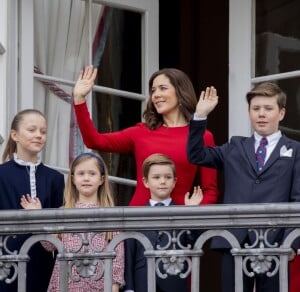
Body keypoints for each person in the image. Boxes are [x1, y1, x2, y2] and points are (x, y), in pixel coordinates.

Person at [186, 82, 300, 292]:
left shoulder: (295, 150)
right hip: (234, 239)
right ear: (249, 113)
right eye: (256, 109)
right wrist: (200, 116)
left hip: (275, 243)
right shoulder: (235, 146)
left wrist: (291, 243)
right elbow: (197, 155)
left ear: (281, 113)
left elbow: (298, 200)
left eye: (268, 109)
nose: (261, 114)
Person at [72, 65, 219, 206]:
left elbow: (210, 191)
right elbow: (94, 141)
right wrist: (79, 99)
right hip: (138, 220)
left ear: (180, 92)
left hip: (179, 224)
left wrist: (192, 214)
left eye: (163, 88)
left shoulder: (202, 136)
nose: (156, 95)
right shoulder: (141, 132)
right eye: (153, 91)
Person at [21, 151, 125, 292]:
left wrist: (114, 288)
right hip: (65, 284)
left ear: (101, 179)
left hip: (99, 285)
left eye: (92, 174)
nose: (86, 178)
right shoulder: (63, 212)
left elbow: (117, 258)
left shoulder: (110, 215)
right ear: (73, 179)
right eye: (81, 174)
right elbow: (49, 245)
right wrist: (37, 217)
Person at [0, 109, 65, 292]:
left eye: (43, 132)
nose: (38, 135)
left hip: (43, 261)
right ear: (15, 135)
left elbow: (59, 226)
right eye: (32, 130)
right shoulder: (1, 174)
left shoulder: (55, 178)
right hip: (6, 261)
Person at [123, 153, 203, 292]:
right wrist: (129, 288)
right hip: (143, 282)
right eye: (156, 177)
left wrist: (191, 213)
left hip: (174, 282)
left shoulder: (182, 213)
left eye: (167, 177)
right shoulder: (135, 216)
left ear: (174, 181)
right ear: (146, 182)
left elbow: (194, 243)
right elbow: (129, 255)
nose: (162, 181)